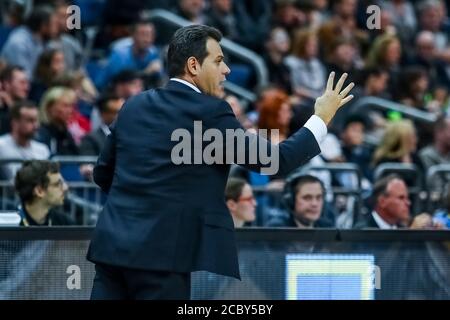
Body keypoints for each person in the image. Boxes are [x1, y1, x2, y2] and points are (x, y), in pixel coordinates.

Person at [87, 25, 354, 300]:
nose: (226, 70)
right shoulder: (210, 113)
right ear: (193, 65)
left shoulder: (134, 105)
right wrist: (321, 117)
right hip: (163, 258)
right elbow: (277, 160)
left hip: (111, 247)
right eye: (218, 61)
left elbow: (103, 173)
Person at [354, 174, 441, 229]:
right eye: (401, 198)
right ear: (382, 201)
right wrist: (412, 236)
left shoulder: (403, 228)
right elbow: (383, 258)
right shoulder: (362, 231)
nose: (408, 203)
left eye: (407, 198)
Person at [0, 100, 50, 180]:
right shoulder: (1, 146)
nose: (36, 125)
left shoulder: (42, 149)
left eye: (36, 120)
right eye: (30, 120)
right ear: (15, 123)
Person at [14, 160, 74, 226]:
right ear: (39, 191)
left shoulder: (65, 223)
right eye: (57, 184)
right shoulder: (9, 224)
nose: (65, 188)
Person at [266, 174, 334, 228]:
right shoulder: (277, 230)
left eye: (319, 198)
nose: (314, 204)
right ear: (291, 200)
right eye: (307, 198)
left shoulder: (328, 228)